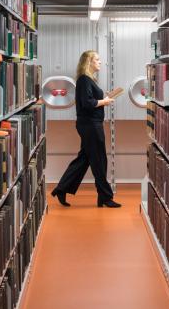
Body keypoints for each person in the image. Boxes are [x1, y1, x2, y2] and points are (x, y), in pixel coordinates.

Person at [51, 50, 121, 208]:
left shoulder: (89, 80)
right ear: (88, 62)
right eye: (97, 59)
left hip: (90, 124)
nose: (100, 62)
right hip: (90, 125)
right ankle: (105, 197)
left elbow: (90, 99)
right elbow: (87, 103)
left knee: (84, 160)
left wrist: (104, 98)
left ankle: (61, 189)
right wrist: (104, 101)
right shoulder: (84, 80)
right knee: (99, 160)